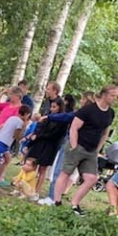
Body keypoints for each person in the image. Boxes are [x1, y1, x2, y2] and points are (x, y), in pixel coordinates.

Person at [53, 85, 118, 215]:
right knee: (65, 173)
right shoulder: (88, 110)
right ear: (104, 94)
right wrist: (74, 145)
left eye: (116, 96)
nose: (115, 98)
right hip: (78, 146)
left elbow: (105, 133)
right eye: (113, 95)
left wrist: (98, 149)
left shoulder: (111, 113)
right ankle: (57, 202)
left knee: (92, 178)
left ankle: (74, 204)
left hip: (92, 151)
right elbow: (74, 128)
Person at [24, 96, 66, 196]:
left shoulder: (62, 121)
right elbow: (39, 128)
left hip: (49, 147)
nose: (52, 109)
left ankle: (36, 192)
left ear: (60, 108)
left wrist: (39, 135)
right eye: (51, 106)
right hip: (39, 144)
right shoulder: (47, 116)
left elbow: (55, 135)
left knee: (42, 169)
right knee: (32, 166)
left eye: (54, 107)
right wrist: (33, 139)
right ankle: (26, 188)